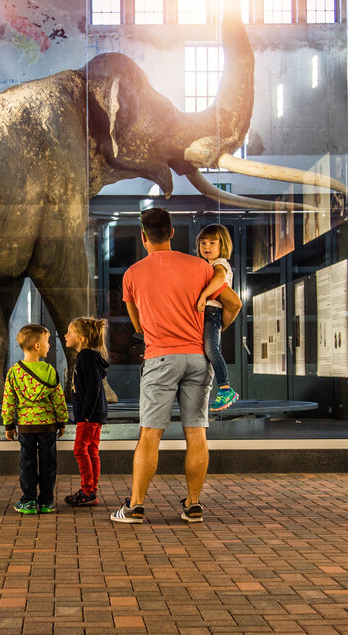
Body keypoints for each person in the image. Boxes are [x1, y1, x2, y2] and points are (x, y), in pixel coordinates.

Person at [112, 208, 241, 524]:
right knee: (196, 431)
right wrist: (212, 336)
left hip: (160, 358)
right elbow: (234, 303)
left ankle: (136, 506)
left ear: (144, 237)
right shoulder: (202, 267)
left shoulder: (132, 274)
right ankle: (193, 505)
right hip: (198, 358)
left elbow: (138, 326)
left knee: (150, 434)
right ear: (172, 233)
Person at [3, 324, 68, 514]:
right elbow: (58, 399)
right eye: (47, 341)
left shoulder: (14, 372)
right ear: (37, 346)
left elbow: (9, 400)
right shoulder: (49, 370)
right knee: (48, 464)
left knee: (27, 464)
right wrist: (61, 421)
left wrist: (9, 424)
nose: (49, 345)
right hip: (48, 426)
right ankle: (47, 502)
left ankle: (29, 501)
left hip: (26, 427)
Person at [63, 317, 110, 507]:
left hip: (89, 416)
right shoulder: (88, 357)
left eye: (70, 332)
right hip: (93, 414)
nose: (65, 335)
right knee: (91, 450)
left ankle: (87, 491)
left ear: (81, 338)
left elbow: (93, 387)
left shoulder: (86, 357)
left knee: (80, 449)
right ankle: (90, 490)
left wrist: (86, 415)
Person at [195, 224, 240, 411]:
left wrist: (204, 296)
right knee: (207, 350)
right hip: (208, 313)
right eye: (203, 243)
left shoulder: (220, 264)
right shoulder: (208, 265)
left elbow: (220, 279)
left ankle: (225, 388)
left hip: (213, 312)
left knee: (212, 350)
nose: (206, 246)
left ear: (223, 245)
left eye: (212, 243)